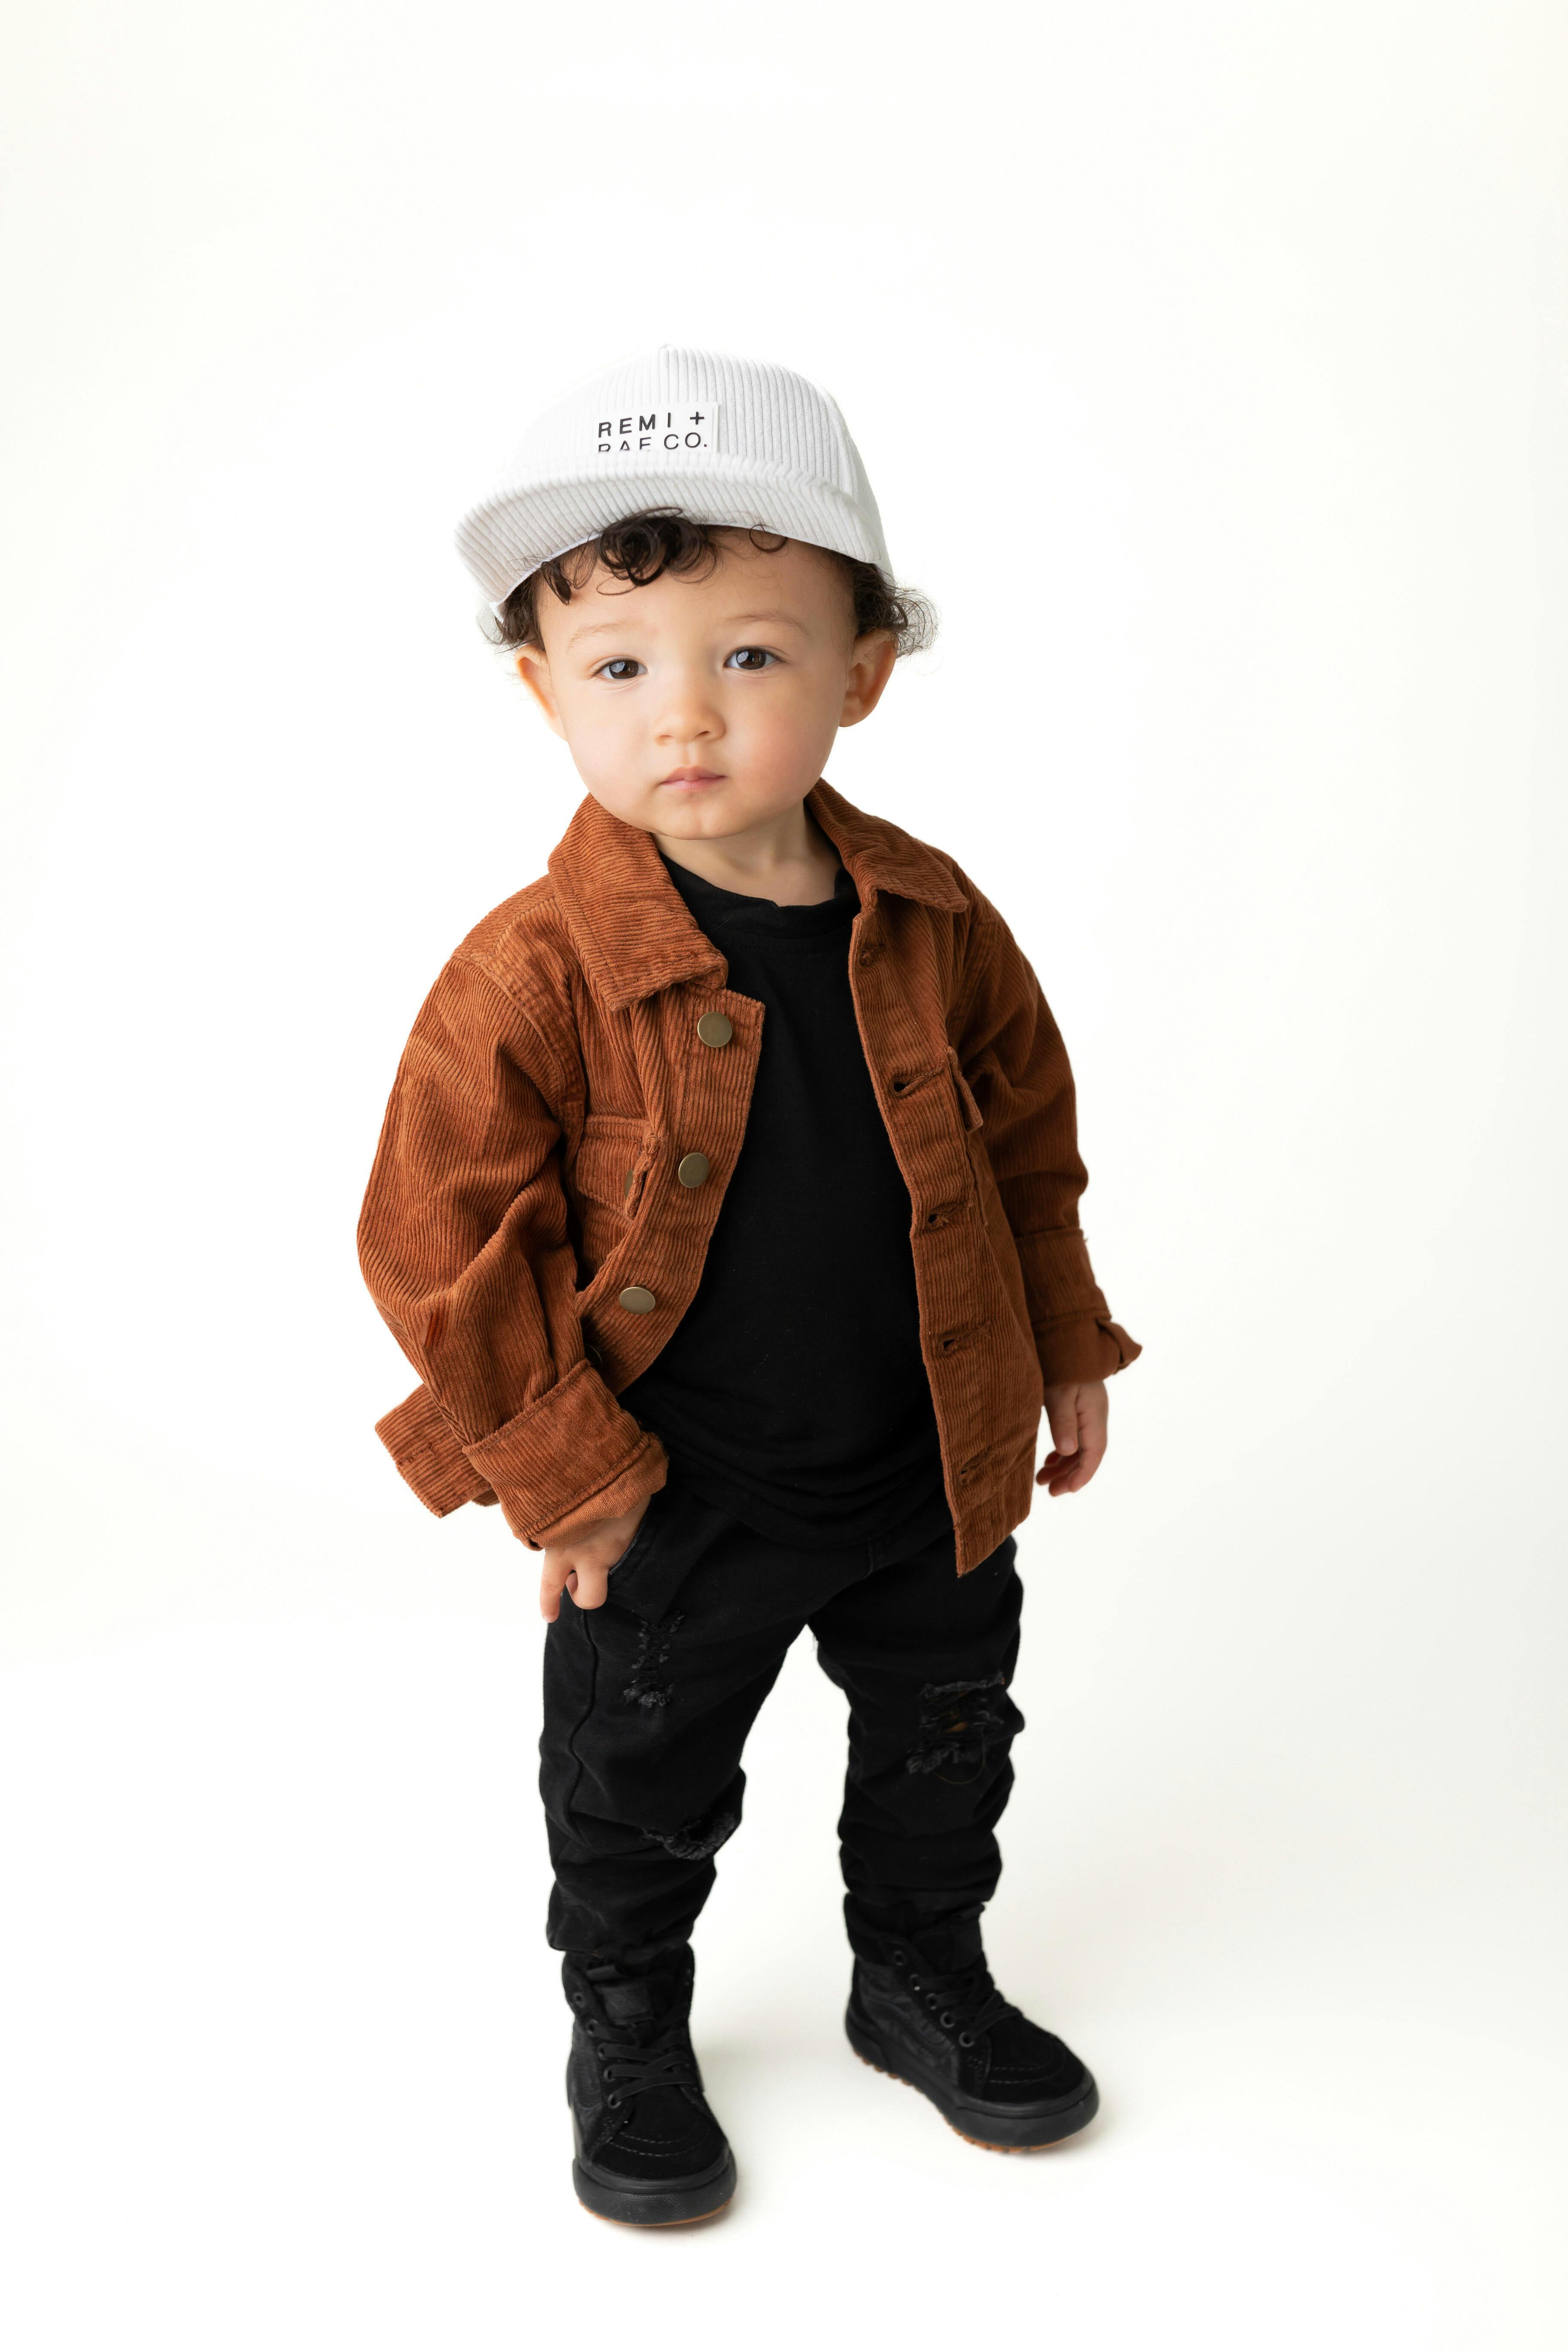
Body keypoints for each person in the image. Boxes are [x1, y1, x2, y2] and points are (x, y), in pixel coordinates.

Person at [357, 347, 1140, 2226]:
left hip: (927, 1457)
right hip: (675, 1492)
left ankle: (920, 1971)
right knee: (635, 1778)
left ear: (865, 670)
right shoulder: (531, 972)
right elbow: (436, 1237)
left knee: (948, 1740)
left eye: (754, 655)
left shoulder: (934, 918)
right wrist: (567, 1474)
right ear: (543, 688)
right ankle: (628, 2018)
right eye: (621, 666)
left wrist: (1063, 1343)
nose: (686, 715)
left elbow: (1026, 1141)